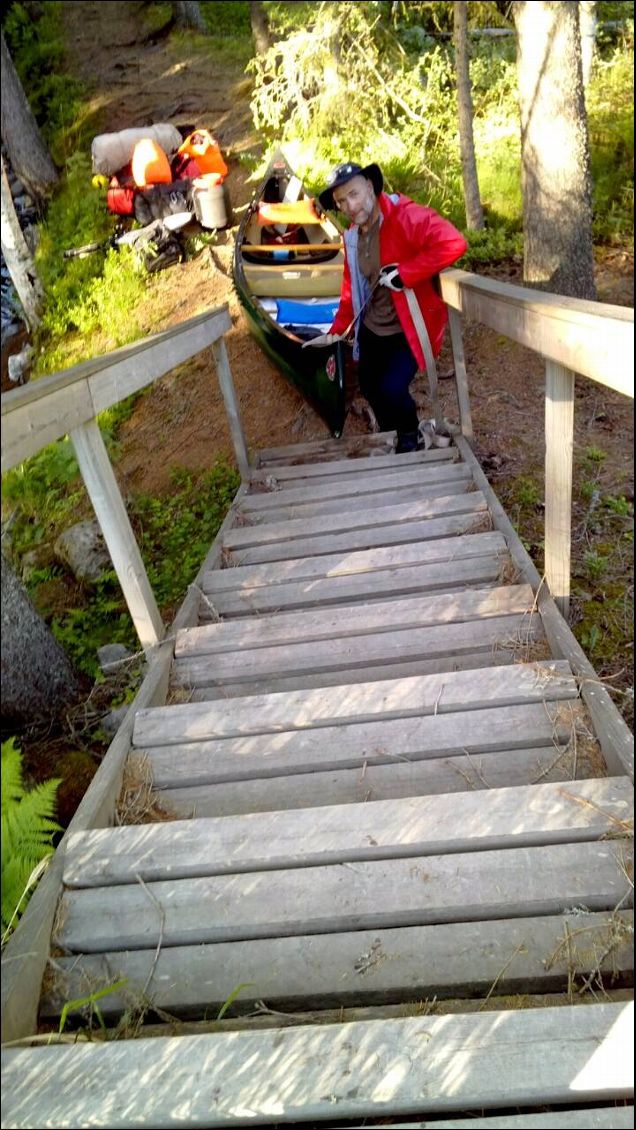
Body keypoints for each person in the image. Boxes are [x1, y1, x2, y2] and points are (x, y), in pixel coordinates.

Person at [303, 161, 468, 453]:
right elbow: (349, 289)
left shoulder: (406, 216)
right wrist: (337, 332)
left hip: (408, 328)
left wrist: (407, 273)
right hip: (372, 327)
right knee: (368, 386)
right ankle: (395, 431)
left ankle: (409, 438)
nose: (350, 206)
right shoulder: (353, 236)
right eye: (341, 201)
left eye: (353, 194)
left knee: (392, 388)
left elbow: (453, 242)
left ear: (370, 186)